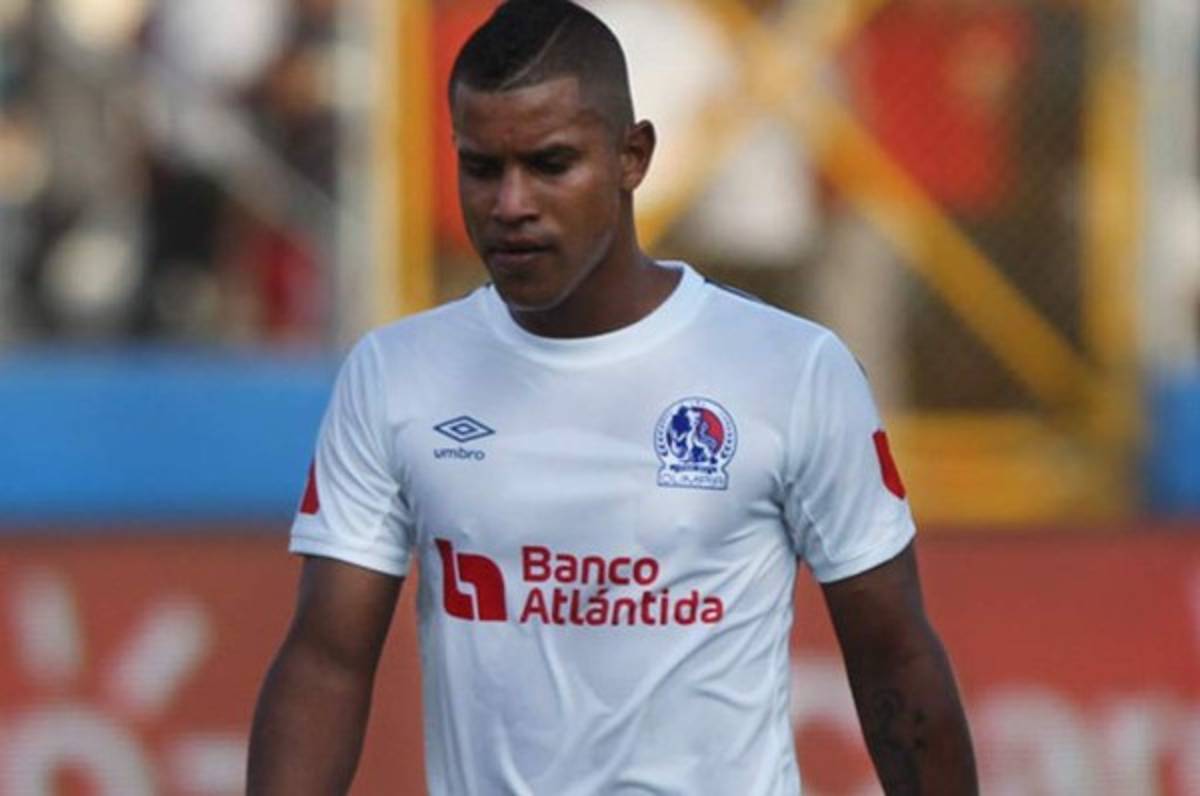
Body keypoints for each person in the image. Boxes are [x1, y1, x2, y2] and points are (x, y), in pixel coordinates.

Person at [247, 2, 977, 794]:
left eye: (551, 164)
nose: (511, 203)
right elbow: (326, 663)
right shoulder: (394, 374)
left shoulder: (792, 369)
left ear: (633, 156)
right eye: (482, 168)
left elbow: (893, 656)